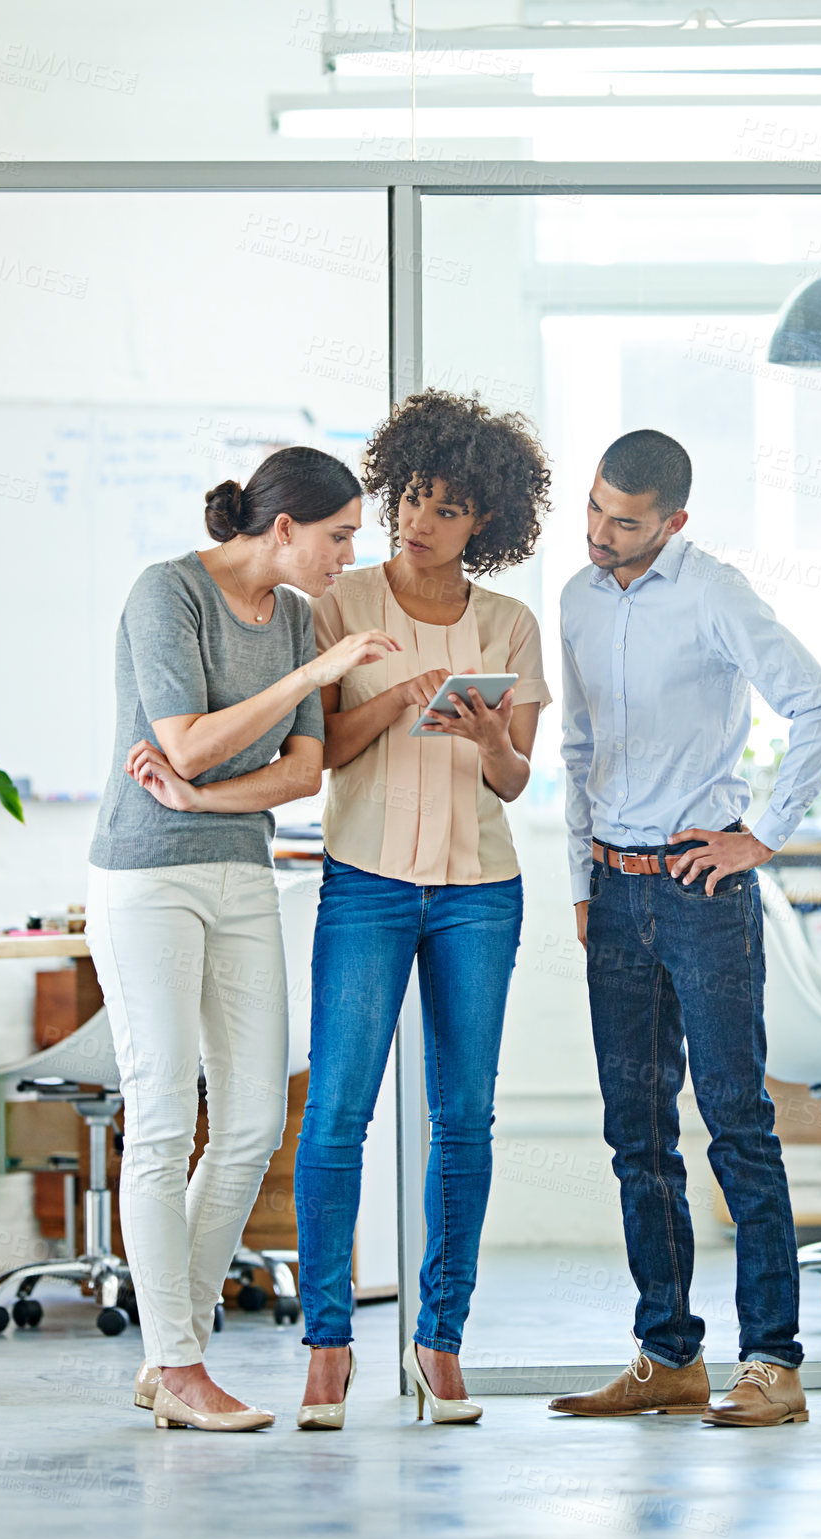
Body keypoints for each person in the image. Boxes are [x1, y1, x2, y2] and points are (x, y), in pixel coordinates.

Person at [88, 445, 398, 1433]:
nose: (346, 556)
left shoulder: (302, 616)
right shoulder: (166, 593)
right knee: (167, 1116)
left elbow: (303, 772)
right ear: (283, 530)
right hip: (146, 873)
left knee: (257, 1119)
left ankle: (169, 1347)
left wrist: (206, 794)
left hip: (240, 874)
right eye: (339, 537)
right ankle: (178, 1362)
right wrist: (308, 677)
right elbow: (180, 740)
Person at [550, 429, 821, 1428]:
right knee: (635, 1135)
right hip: (615, 889)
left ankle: (772, 1363)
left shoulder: (714, 592)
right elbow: (578, 748)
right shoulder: (577, 602)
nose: (599, 533)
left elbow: (819, 706)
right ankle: (667, 1356)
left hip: (699, 891)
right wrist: (581, 884)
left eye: (623, 521)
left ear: (672, 522)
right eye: (593, 509)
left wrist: (756, 837)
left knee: (735, 1124)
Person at [294, 388, 553, 1429]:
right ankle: (326, 1348)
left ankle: (439, 1342)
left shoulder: (510, 622)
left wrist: (486, 735)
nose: (417, 519)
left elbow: (515, 781)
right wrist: (397, 703)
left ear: (483, 519)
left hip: (477, 893)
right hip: (363, 878)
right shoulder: (339, 606)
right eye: (408, 497)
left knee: (465, 1119)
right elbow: (319, 758)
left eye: (444, 506)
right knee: (337, 1112)